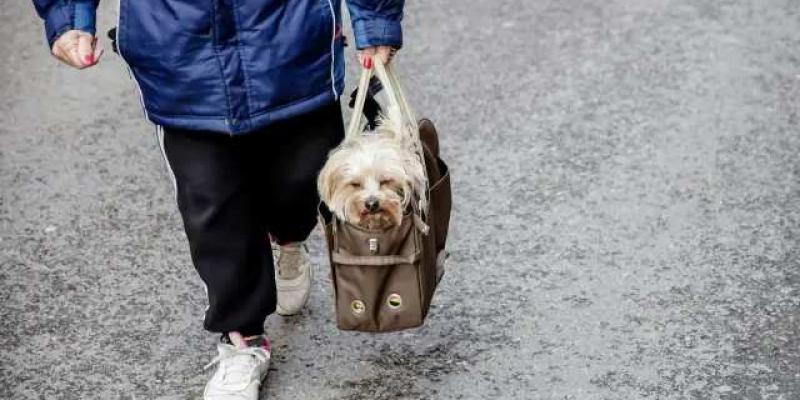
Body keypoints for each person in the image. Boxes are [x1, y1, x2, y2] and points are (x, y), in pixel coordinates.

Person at [31, 0, 403, 398]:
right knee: (213, 206)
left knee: (302, 182)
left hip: (292, 42)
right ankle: (242, 338)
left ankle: (288, 239)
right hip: (177, 50)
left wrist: (376, 20)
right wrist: (69, 17)